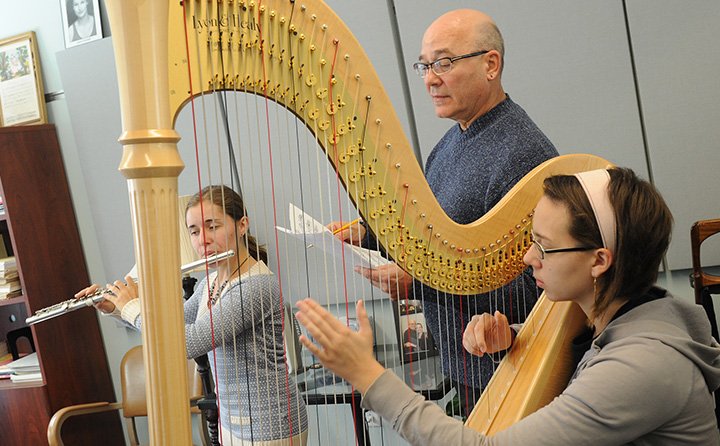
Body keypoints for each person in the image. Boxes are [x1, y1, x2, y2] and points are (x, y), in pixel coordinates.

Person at [298, 167, 720, 445]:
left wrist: (366, 374)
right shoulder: (633, 316)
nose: (527, 258)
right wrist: (516, 338)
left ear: (599, 261)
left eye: (544, 246)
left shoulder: (643, 366)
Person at [329, 8, 558, 415]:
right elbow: (438, 241)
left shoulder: (524, 154)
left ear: (491, 64)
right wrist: (368, 237)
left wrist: (418, 286)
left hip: (507, 369)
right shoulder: (449, 145)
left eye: (444, 62)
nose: (430, 78)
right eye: (425, 65)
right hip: (464, 366)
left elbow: (539, 285)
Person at [77, 185, 308, 445]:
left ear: (242, 225)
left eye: (213, 227)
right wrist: (116, 308)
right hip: (232, 422)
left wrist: (133, 308)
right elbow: (173, 326)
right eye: (194, 231)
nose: (203, 239)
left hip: (272, 424)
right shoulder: (209, 283)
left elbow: (188, 342)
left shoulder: (256, 286)